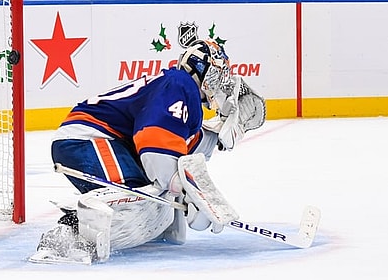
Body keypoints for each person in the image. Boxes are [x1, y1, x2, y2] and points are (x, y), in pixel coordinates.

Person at [30, 39, 266, 264]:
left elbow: (188, 152)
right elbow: (154, 141)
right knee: (138, 194)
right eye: (215, 73)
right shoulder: (179, 84)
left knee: (155, 194)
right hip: (85, 139)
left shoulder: (186, 99)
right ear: (200, 71)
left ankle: (144, 229)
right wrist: (188, 193)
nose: (219, 83)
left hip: (106, 141)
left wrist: (221, 137)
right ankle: (65, 235)